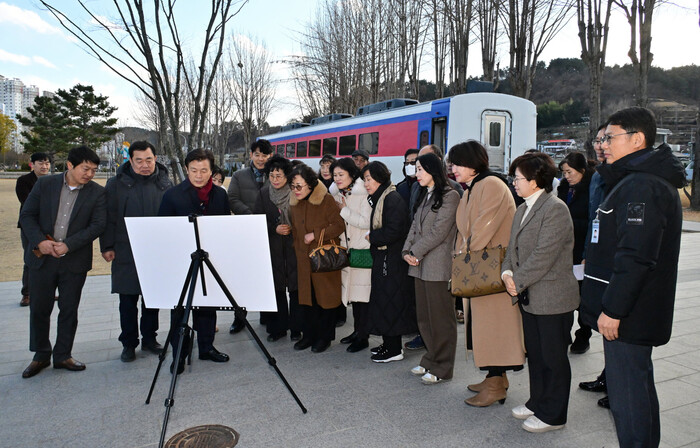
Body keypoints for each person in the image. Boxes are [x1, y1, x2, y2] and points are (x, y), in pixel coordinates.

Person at [580, 107, 685, 447]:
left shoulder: (642, 185)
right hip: (633, 309)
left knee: (628, 395)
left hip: (630, 313)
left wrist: (613, 310)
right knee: (634, 387)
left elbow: (636, 256)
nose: (603, 145)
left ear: (637, 139)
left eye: (610, 138)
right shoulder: (634, 180)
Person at [502, 152, 579, 433]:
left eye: (518, 178)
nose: (514, 183)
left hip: (552, 297)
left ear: (535, 180)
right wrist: (506, 273)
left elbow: (544, 255)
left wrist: (517, 280)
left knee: (553, 357)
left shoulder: (555, 209)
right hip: (529, 295)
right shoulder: (522, 208)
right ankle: (538, 401)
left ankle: (554, 414)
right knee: (535, 354)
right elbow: (512, 249)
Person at [20, 146, 106, 378]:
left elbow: (98, 225)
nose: (89, 174)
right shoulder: (45, 184)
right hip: (42, 258)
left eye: (93, 170)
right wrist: (40, 241)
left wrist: (69, 244)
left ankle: (63, 355)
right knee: (39, 308)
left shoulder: (97, 192)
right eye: (85, 169)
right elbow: (26, 215)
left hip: (74, 261)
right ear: (69, 165)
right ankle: (40, 354)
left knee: (69, 309)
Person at [449, 141, 525, 407]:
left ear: (472, 163)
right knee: (485, 328)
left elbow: (482, 229)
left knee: (495, 329)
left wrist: (462, 256)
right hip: (480, 270)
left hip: (492, 271)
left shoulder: (491, 185)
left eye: (457, 163)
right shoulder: (473, 188)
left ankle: (495, 385)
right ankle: (496, 379)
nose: (453, 168)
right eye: (452, 164)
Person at [159, 149, 230, 374]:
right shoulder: (172, 195)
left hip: (210, 260)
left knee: (207, 306)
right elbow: (163, 231)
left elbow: (224, 227)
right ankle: (179, 354)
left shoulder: (220, 195)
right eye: (194, 170)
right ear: (186, 169)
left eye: (204, 170)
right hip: (181, 262)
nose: (199, 175)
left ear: (211, 171)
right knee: (180, 310)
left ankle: (206, 347)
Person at [100, 141, 172, 362]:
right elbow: (108, 217)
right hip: (125, 249)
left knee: (152, 299)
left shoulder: (165, 183)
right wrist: (107, 246)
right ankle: (129, 343)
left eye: (149, 159)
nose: (144, 165)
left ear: (155, 159)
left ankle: (150, 338)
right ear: (130, 161)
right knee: (128, 300)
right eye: (138, 160)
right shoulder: (115, 184)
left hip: (156, 251)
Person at [402, 153, 459, 383]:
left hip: (437, 265)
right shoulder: (425, 194)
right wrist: (406, 251)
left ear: (433, 170)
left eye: (420, 169)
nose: (416, 174)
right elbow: (414, 227)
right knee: (424, 317)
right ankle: (430, 359)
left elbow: (439, 232)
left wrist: (415, 252)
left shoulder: (450, 195)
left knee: (441, 318)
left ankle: (443, 366)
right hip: (419, 265)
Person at [362, 161, 417, 362]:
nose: (366, 184)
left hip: (392, 261)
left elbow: (395, 230)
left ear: (379, 178)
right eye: (364, 180)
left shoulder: (391, 199)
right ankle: (388, 344)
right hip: (384, 259)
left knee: (391, 304)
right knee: (384, 303)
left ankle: (394, 350)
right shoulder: (381, 197)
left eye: (368, 179)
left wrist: (373, 237)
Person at [288, 164, 345, 353]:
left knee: (325, 300)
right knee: (307, 300)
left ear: (310, 184)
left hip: (323, 259)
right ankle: (309, 335)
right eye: (293, 186)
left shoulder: (325, 200)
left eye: (299, 186)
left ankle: (324, 337)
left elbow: (339, 225)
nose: (295, 190)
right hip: (303, 260)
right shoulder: (294, 203)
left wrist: (316, 234)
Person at [578, 124, 611, 409]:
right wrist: (589, 251)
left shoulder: (621, 177)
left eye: (606, 139)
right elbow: (594, 218)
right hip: (596, 253)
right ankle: (608, 376)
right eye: (598, 140)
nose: (600, 145)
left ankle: (616, 381)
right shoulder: (600, 175)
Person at [253, 155, 301, 342]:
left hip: (294, 247)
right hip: (273, 248)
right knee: (276, 289)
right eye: (272, 175)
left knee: (296, 289)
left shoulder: (296, 192)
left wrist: (293, 227)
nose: (275, 179)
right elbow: (256, 221)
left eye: (279, 175)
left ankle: (297, 328)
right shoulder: (264, 194)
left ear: (287, 176)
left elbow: (305, 218)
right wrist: (274, 228)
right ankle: (277, 328)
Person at [227, 139, 272, 334]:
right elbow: (232, 198)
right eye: (257, 155)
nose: (261, 159)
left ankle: (267, 315)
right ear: (251, 155)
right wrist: (250, 215)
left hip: (270, 231)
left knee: (267, 275)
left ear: (270, 156)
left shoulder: (275, 174)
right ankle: (239, 317)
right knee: (243, 277)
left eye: (264, 155)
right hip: (246, 232)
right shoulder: (239, 175)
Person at [329, 158, 372, 353]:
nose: (337, 178)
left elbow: (365, 222)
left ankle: (363, 337)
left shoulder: (362, 193)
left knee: (362, 297)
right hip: (347, 249)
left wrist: (344, 211)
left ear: (352, 174)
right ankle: (357, 332)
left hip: (361, 249)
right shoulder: (339, 193)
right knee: (353, 296)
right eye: (335, 175)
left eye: (341, 175)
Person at [557, 151, 595, 355]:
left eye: (570, 172)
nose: (567, 176)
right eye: (564, 172)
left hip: (582, 248)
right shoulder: (563, 188)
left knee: (582, 295)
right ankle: (564, 334)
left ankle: (583, 334)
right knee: (565, 294)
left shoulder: (591, 188)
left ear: (582, 170)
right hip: (564, 250)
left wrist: (569, 223)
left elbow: (592, 221)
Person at [16, 152, 51, 307]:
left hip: (48, 226)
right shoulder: (24, 181)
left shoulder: (52, 181)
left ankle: (47, 292)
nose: (44, 166)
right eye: (41, 163)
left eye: (47, 163)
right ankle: (27, 293)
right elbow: (26, 203)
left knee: (49, 260)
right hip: (30, 227)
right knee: (31, 258)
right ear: (32, 164)